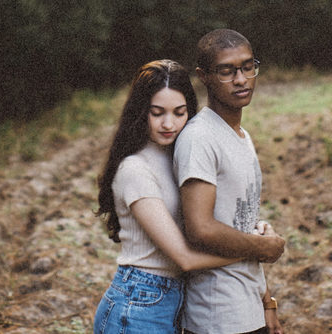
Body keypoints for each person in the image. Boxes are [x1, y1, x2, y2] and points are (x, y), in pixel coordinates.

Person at [94, 60, 248, 334]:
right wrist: (251, 251)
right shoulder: (135, 169)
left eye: (179, 113)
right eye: (157, 113)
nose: (169, 124)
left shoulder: (182, 159)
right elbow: (184, 258)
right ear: (141, 112)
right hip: (137, 305)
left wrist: (252, 233)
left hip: (172, 301)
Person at [174, 29, 286, 334]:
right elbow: (200, 228)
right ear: (204, 76)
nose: (241, 79)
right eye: (227, 71)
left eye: (248, 67)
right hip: (218, 316)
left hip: (248, 307)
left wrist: (267, 302)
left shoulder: (241, 135)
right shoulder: (200, 138)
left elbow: (240, 222)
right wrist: (263, 247)